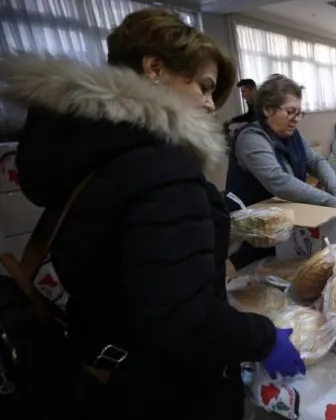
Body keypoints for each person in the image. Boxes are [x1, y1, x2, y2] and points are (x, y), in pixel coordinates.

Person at [0, 8, 305, 420]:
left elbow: (132, 257)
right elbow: (186, 317)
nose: (210, 104)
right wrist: (264, 338)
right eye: (204, 86)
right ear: (155, 68)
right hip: (168, 388)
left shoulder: (90, 150)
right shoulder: (160, 168)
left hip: (105, 360)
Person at [227, 74, 336, 268]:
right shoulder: (251, 139)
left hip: (285, 230)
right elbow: (278, 181)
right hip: (255, 235)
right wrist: (331, 201)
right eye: (291, 112)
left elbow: (316, 162)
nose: (296, 119)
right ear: (267, 110)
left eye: (299, 113)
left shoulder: (292, 135)